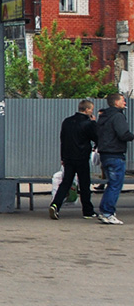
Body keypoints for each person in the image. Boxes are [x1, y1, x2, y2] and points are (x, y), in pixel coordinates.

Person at [49, 100, 98, 220]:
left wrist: (62, 157)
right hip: (81, 157)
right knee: (84, 184)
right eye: (91, 109)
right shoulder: (87, 123)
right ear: (86, 110)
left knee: (66, 183)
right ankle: (87, 211)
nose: (92, 111)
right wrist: (94, 123)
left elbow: (63, 140)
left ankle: (55, 205)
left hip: (68, 157)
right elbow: (96, 137)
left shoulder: (67, 121)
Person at [95, 93, 133, 225]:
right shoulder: (118, 116)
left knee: (111, 184)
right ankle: (107, 212)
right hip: (116, 154)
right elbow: (123, 134)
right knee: (115, 185)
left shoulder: (103, 116)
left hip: (105, 154)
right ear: (116, 102)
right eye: (123, 100)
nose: (125, 103)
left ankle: (106, 211)